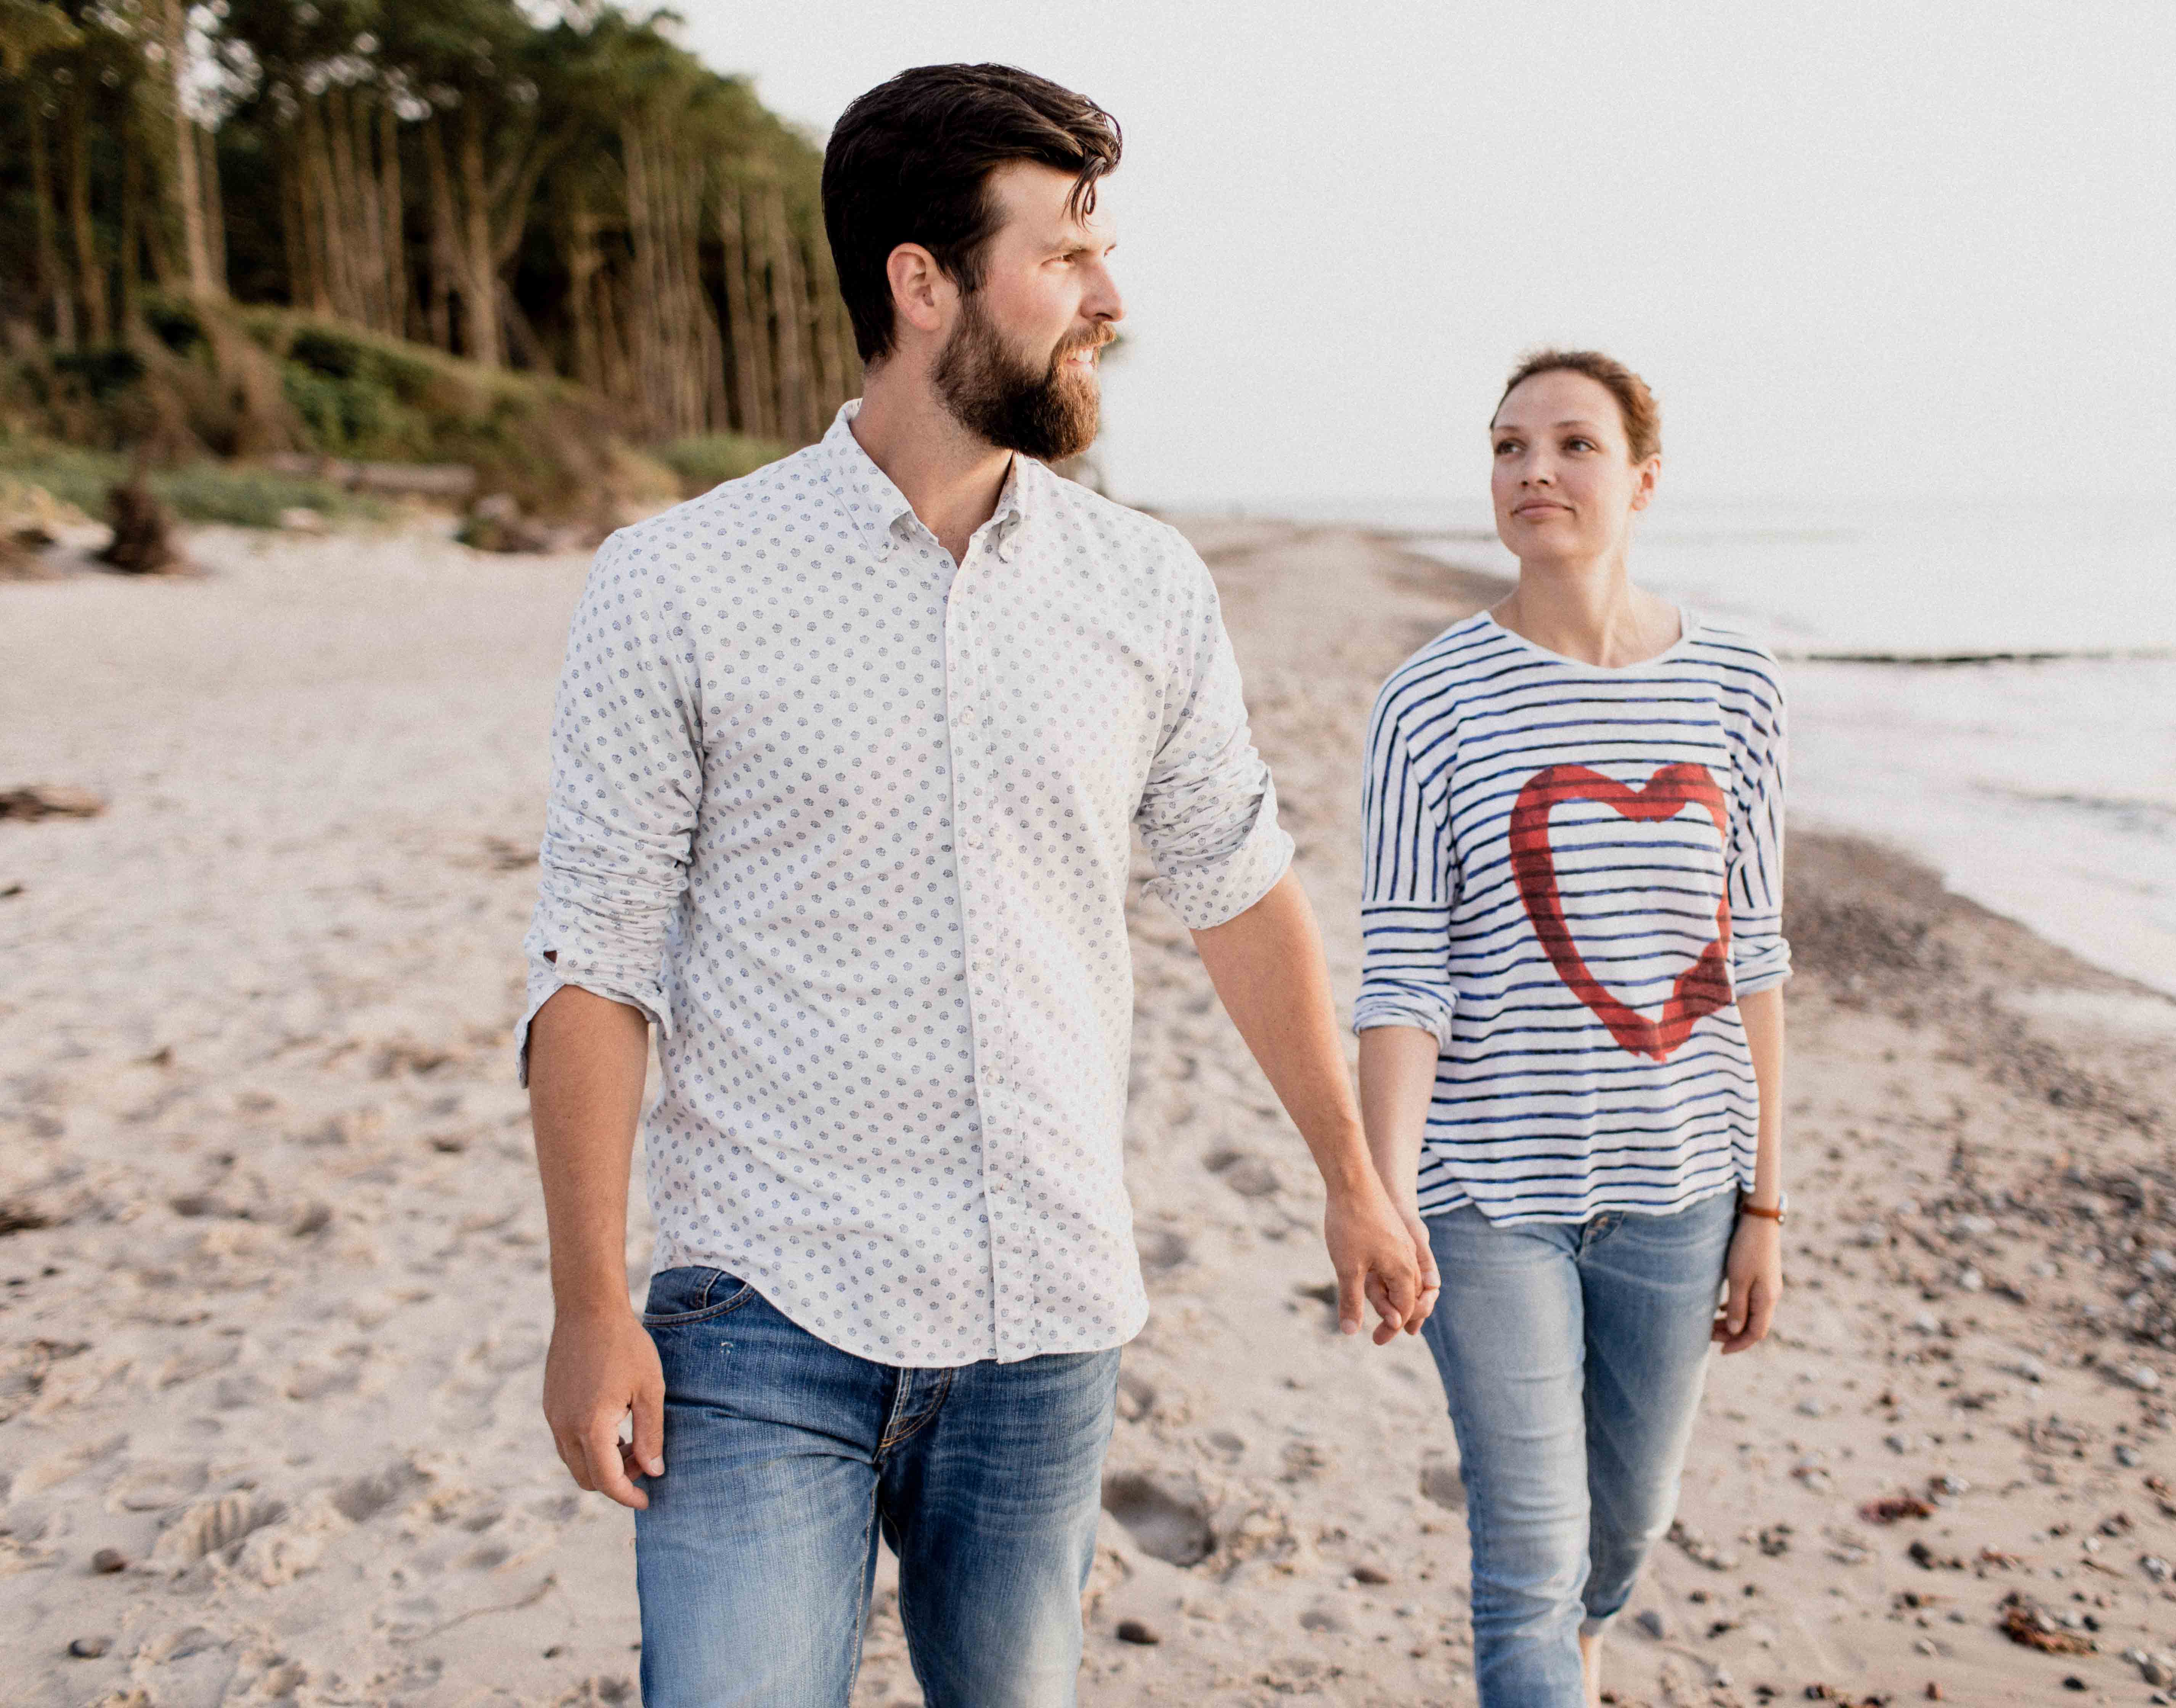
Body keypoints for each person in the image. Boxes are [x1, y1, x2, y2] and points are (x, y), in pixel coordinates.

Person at [520, 63, 1425, 1707]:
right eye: (1065, 254)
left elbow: (1236, 886)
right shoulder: (680, 582)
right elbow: (596, 958)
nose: (1109, 297)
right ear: (922, 285)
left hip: (1048, 1319)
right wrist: (590, 1302)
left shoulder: (1143, 587)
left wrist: (1351, 1173)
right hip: (761, 1316)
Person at [1355, 350, 1790, 1708]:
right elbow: (1403, 976)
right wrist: (1379, 1192)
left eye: (1572, 445)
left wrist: (1767, 1205)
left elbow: (1757, 958)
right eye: (1507, 446)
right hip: (1488, 1204)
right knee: (1528, 1564)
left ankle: (1582, 1644)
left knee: (1625, 1534)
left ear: (1644, 481)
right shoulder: (1427, 703)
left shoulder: (1739, 683)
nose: (1534, 469)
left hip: (1679, 1194)